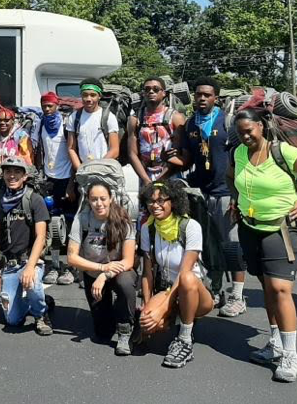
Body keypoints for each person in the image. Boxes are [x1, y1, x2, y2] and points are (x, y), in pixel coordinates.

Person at [228, 108, 297, 383]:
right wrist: (236, 201)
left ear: (261, 126)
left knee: (280, 290)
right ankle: (275, 343)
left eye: (249, 130)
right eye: (240, 132)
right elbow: (231, 177)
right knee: (266, 288)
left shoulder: (282, 152)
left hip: (281, 230)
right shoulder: (238, 153)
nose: (245, 135)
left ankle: (291, 355)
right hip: (250, 229)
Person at [168, 77, 247, 318]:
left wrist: (237, 195)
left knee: (230, 244)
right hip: (200, 191)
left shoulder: (228, 122)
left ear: (216, 98)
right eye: (198, 94)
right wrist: (171, 156)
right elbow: (190, 159)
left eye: (207, 95)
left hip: (225, 191)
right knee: (204, 244)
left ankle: (237, 295)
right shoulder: (191, 123)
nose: (202, 98)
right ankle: (213, 289)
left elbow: (240, 157)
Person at [137, 179, 215, 368]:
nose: (155, 205)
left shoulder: (190, 226)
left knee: (187, 278)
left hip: (195, 292)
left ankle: (185, 339)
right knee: (147, 321)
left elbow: (184, 272)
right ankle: (176, 317)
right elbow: (147, 272)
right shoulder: (148, 227)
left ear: (173, 202)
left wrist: (163, 308)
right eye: (151, 201)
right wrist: (149, 307)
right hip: (168, 290)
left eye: (161, 200)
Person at [67, 179, 137, 355]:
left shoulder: (123, 219)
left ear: (111, 198)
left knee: (125, 283)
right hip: (94, 272)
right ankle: (121, 310)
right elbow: (72, 258)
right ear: (88, 201)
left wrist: (105, 274)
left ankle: (125, 328)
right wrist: (101, 268)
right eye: (94, 199)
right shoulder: (82, 219)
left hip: (118, 272)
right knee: (103, 332)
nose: (99, 203)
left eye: (103, 198)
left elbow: (128, 261)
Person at [0, 157, 53, 336]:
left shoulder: (34, 199)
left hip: (31, 260)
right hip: (10, 264)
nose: (12, 176)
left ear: (24, 176)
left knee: (32, 283)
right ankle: (35, 302)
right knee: (12, 320)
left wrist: (30, 267)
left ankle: (41, 314)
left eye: (17, 172)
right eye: (8, 171)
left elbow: (41, 237)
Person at [35, 91, 75, 285]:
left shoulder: (66, 124)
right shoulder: (41, 123)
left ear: (56, 105)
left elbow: (73, 151)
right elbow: (39, 150)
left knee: (70, 223)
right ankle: (56, 265)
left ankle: (71, 267)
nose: (47, 109)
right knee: (52, 224)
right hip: (49, 179)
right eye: (44, 106)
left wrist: (71, 183)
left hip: (66, 178)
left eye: (50, 106)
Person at [64, 78, 120, 203]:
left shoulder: (108, 117)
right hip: (84, 175)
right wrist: (81, 171)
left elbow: (115, 149)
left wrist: (97, 170)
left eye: (93, 95)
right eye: (85, 95)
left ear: (99, 96)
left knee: (105, 209)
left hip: (105, 173)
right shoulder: (74, 117)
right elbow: (71, 148)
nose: (89, 99)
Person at [127, 77, 186, 187]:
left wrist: (161, 179)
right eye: (147, 89)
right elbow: (132, 153)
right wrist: (146, 180)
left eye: (156, 89)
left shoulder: (175, 117)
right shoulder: (135, 119)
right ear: (143, 93)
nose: (151, 92)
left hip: (169, 175)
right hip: (145, 175)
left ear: (163, 93)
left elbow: (179, 153)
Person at [0, 105, 35, 179]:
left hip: (17, 180)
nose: (2, 123)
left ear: (13, 120)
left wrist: (24, 180)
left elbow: (27, 162)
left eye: (6, 120)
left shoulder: (21, 137)